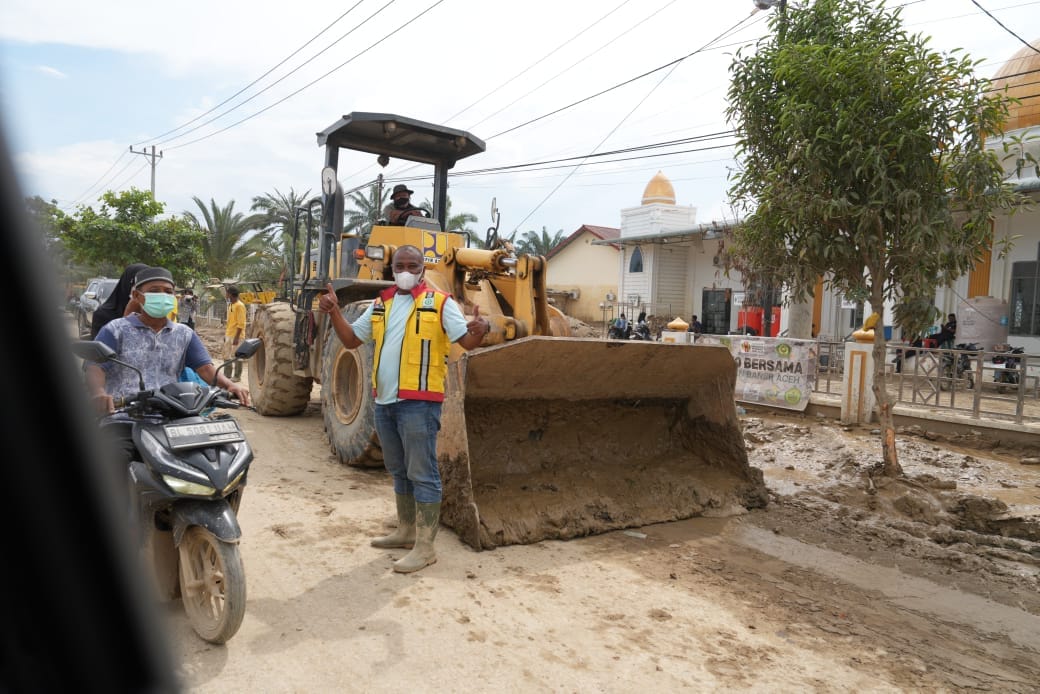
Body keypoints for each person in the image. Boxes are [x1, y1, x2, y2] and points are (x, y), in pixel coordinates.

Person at [317, 244, 488, 574]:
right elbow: (352, 341)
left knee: (423, 473)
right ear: (391, 269)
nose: (406, 270)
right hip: (385, 403)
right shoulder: (382, 304)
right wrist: (335, 312)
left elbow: (466, 342)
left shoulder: (441, 304)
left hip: (420, 404)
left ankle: (425, 548)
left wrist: (480, 331)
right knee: (398, 469)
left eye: (413, 265)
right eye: (400, 265)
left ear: (423, 269)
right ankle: (407, 531)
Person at [85, 266, 251, 464]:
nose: (162, 296)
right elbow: (95, 366)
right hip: (124, 418)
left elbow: (206, 368)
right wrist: (98, 393)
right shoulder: (115, 330)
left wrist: (229, 385)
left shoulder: (184, 334)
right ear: (137, 296)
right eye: (154, 291)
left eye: (168, 292)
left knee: (214, 461)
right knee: (114, 462)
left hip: (174, 419)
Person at [89, 263, 149, 339]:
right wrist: (128, 315)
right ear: (127, 284)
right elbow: (102, 348)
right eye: (139, 285)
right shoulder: (103, 314)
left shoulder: (152, 313)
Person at [223, 285, 247, 382]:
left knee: (237, 356)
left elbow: (241, 323)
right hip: (229, 334)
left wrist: (237, 337)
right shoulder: (231, 305)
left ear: (230, 294)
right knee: (226, 355)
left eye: (227, 293)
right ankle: (227, 375)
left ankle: (237, 376)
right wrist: (226, 335)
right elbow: (230, 322)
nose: (226, 294)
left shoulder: (240, 306)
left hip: (237, 335)